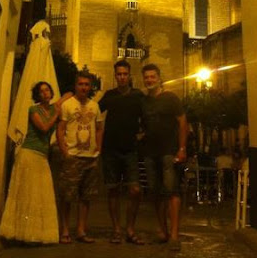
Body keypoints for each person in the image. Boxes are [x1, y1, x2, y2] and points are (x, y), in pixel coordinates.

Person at [0, 81, 63, 245]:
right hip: (29, 153)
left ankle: (36, 234)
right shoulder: (33, 109)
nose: (45, 93)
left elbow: (67, 96)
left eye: (47, 90)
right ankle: (22, 233)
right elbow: (43, 127)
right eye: (41, 91)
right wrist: (56, 114)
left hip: (42, 156)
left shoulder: (53, 108)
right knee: (28, 193)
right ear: (37, 95)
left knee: (41, 194)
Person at [141, 63, 188, 252]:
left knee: (172, 191)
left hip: (169, 152)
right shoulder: (144, 101)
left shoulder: (171, 98)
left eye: (152, 76)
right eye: (146, 77)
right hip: (150, 153)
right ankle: (163, 231)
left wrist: (182, 148)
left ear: (159, 78)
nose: (149, 80)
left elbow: (183, 122)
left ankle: (174, 234)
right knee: (155, 193)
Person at [98, 60, 144, 244]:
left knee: (135, 190)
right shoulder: (110, 95)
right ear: (115, 76)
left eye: (125, 74)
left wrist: (142, 134)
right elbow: (94, 111)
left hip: (130, 150)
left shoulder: (138, 95)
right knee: (113, 190)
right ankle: (117, 229)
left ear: (129, 75)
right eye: (119, 74)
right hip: (110, 149)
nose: (122, 77)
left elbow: (148, 115)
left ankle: (130, 228)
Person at [56, 71, 103, 244]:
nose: (84, 87)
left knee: (86, 196)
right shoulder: (67, 105)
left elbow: (99, 128)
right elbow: (61, 129)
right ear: (75, 86)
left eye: (86, 84)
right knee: (67, 196)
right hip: (73, 156)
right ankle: (65, 229)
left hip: (90, 157)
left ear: (90, 87)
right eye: (81, 84)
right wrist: (64, 151)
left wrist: (98, 149)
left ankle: (81, 230)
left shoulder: (94, 106)